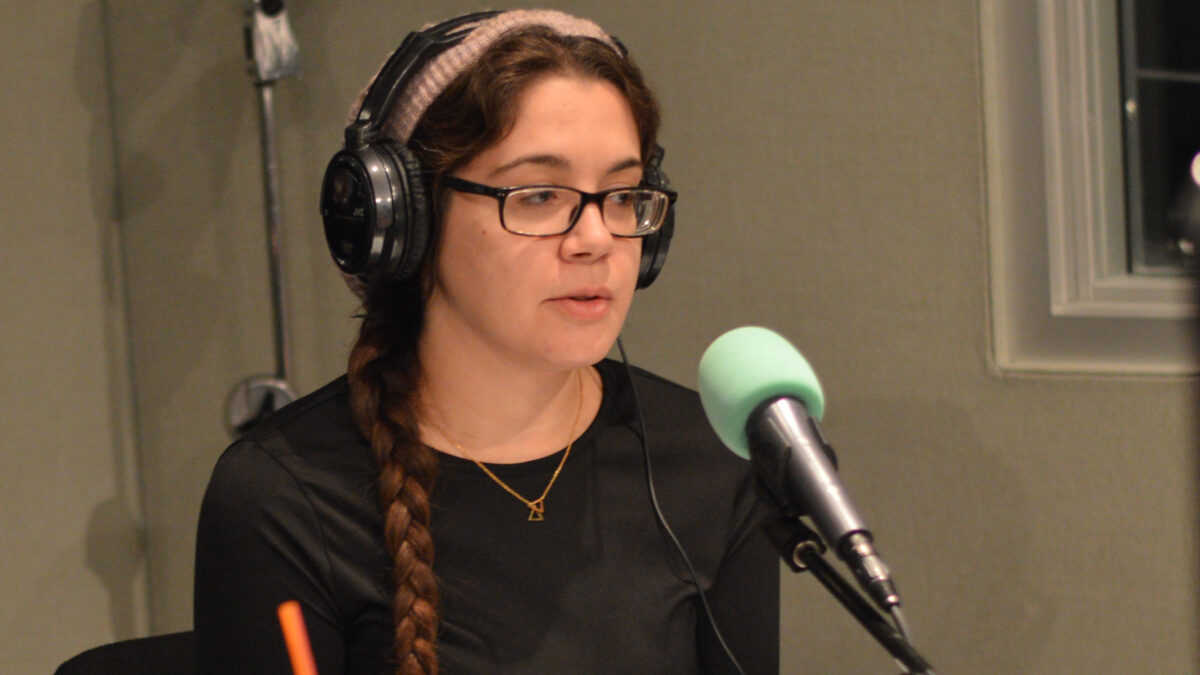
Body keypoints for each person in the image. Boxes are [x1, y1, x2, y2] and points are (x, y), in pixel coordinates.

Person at [194, 9, 779, 674]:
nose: (596, 239)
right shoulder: (282, 497)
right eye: (539, 195)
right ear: (407, 219)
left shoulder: (712, 461)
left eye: (622, 194)